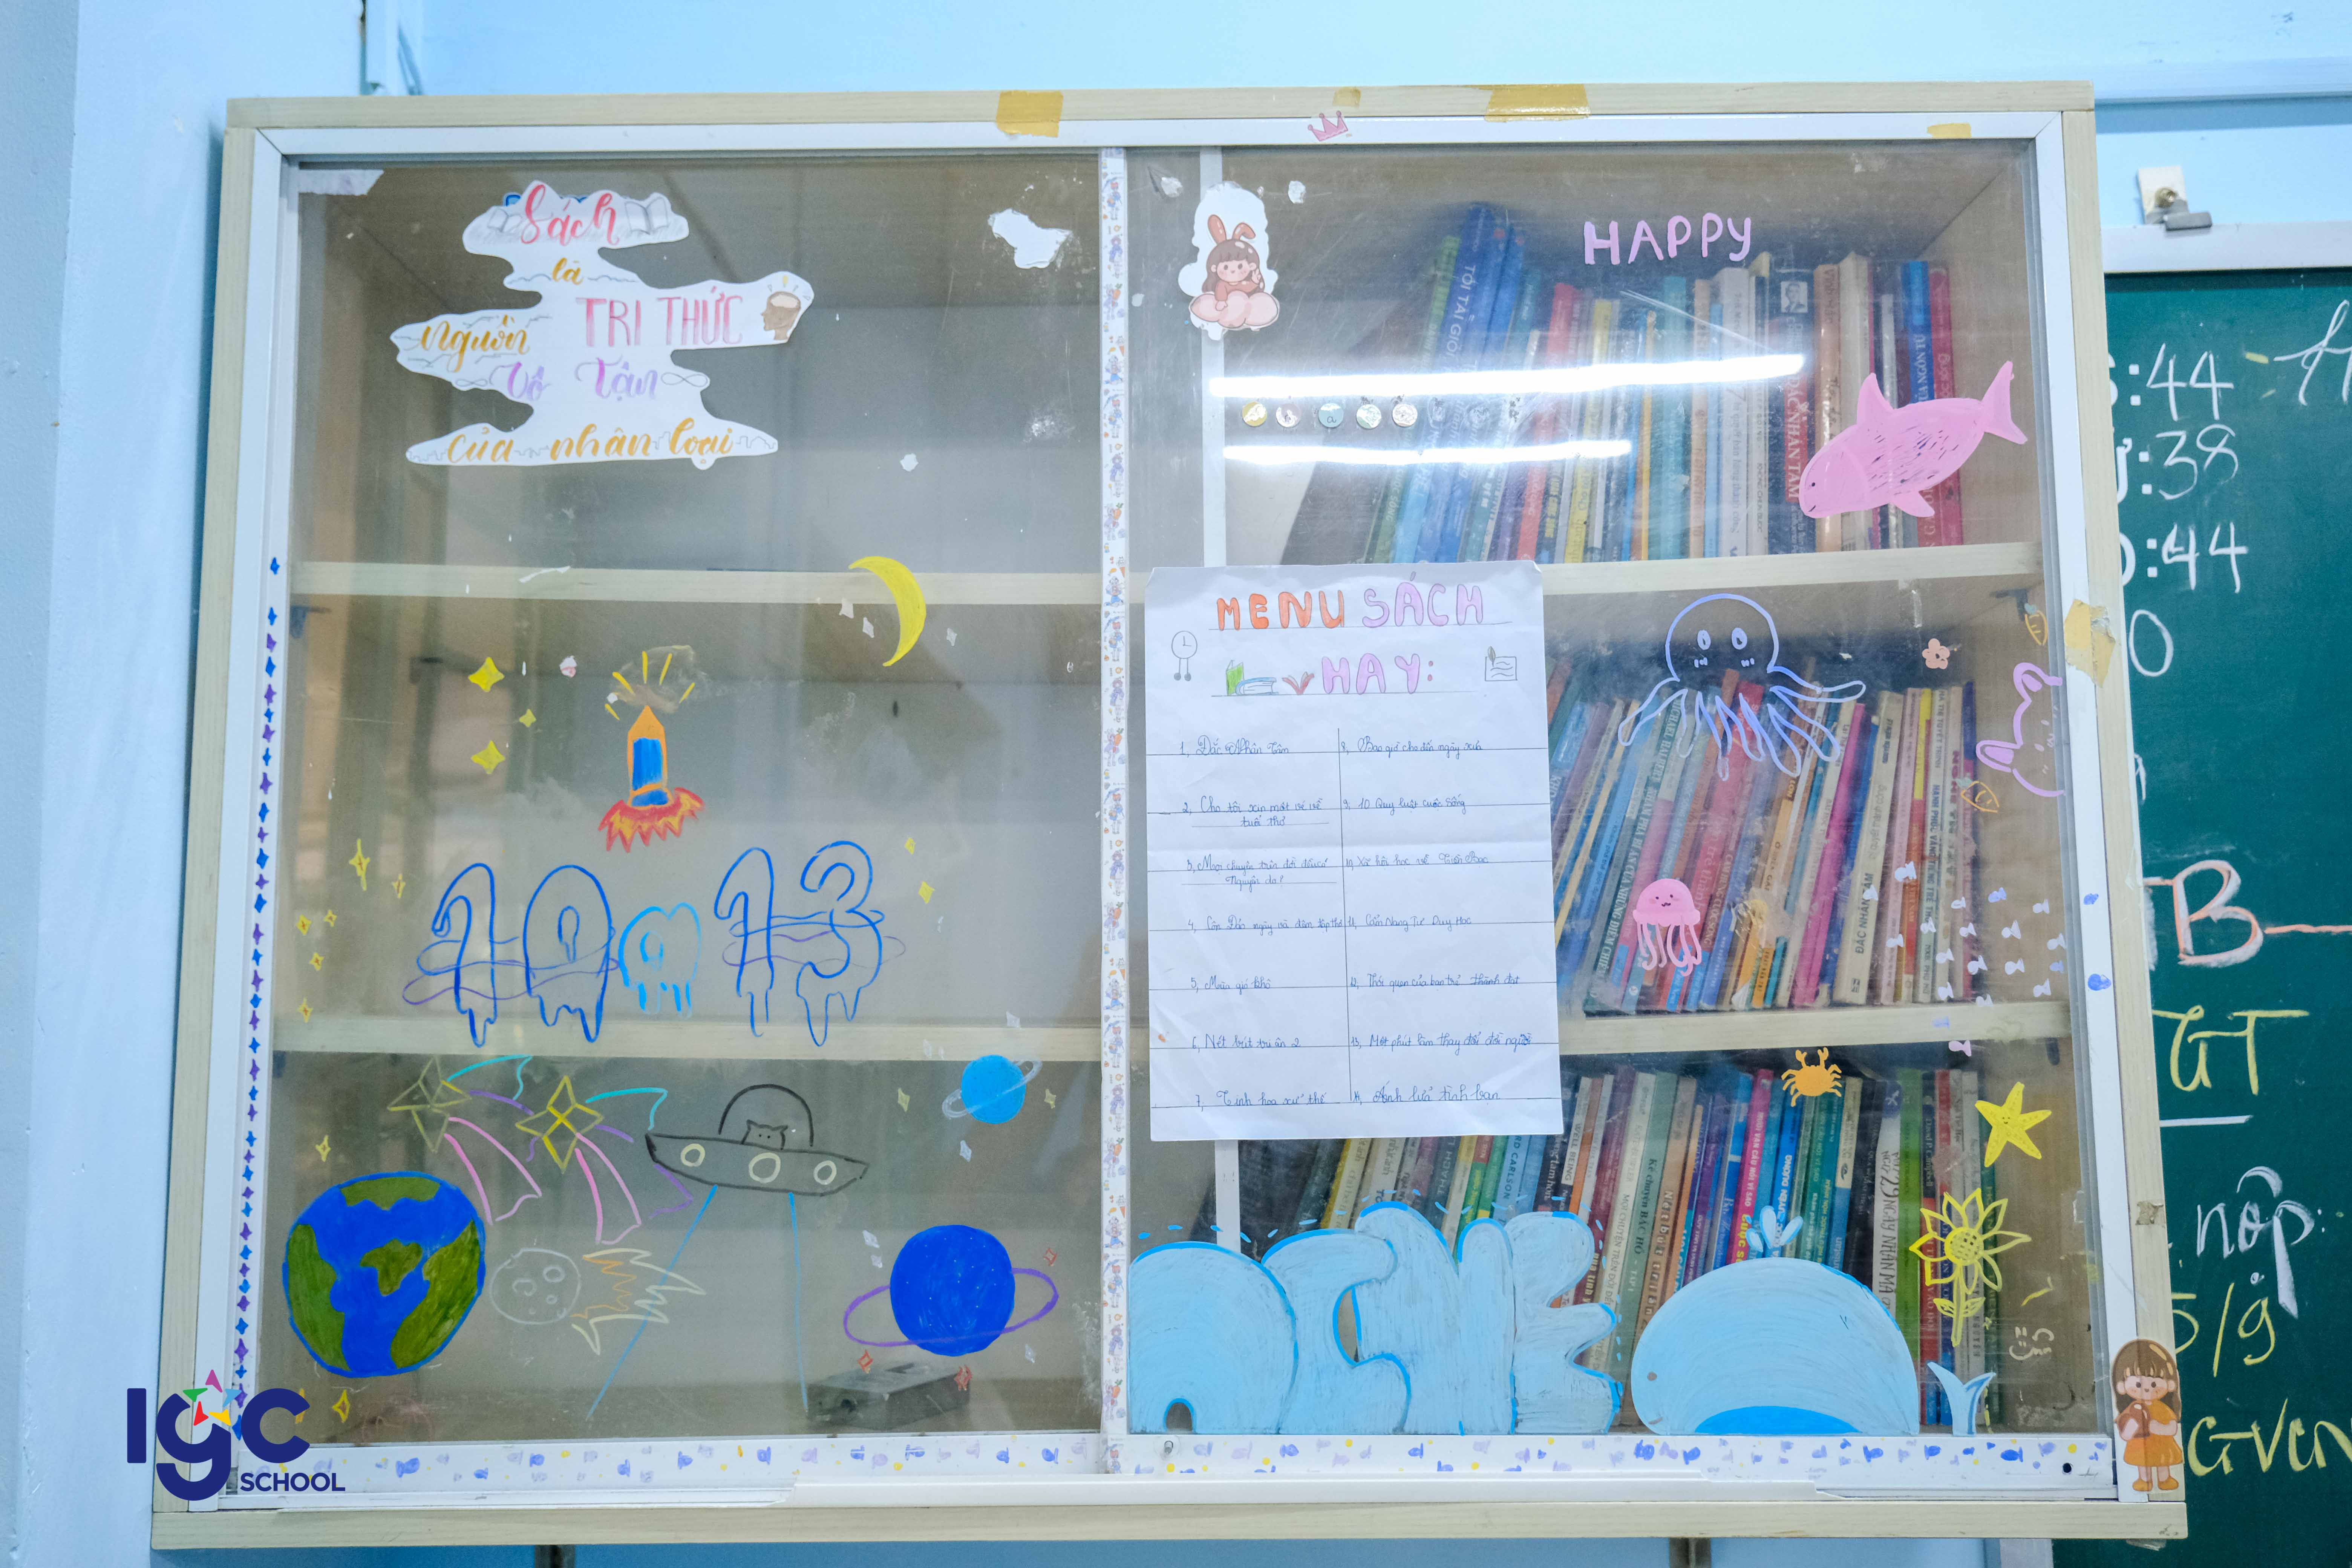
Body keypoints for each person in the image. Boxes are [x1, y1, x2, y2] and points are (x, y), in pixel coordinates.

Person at [2114, 1340, 2182, 1493]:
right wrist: (2131, 1428)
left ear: (2170, 1384)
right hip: (2140, 1444)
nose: (2146, 1389)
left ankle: (2165, 1479)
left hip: (2161, 1445)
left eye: (2154, 1384)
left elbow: (2172, 1428)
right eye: (2138, 1384)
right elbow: (2125, 1430)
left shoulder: (2163, 1408)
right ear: (2122, 1386)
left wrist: (2158, 1428)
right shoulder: (2132, 1409)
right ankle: (2144, 1480)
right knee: (2142, 1462)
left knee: (2163, 1462)